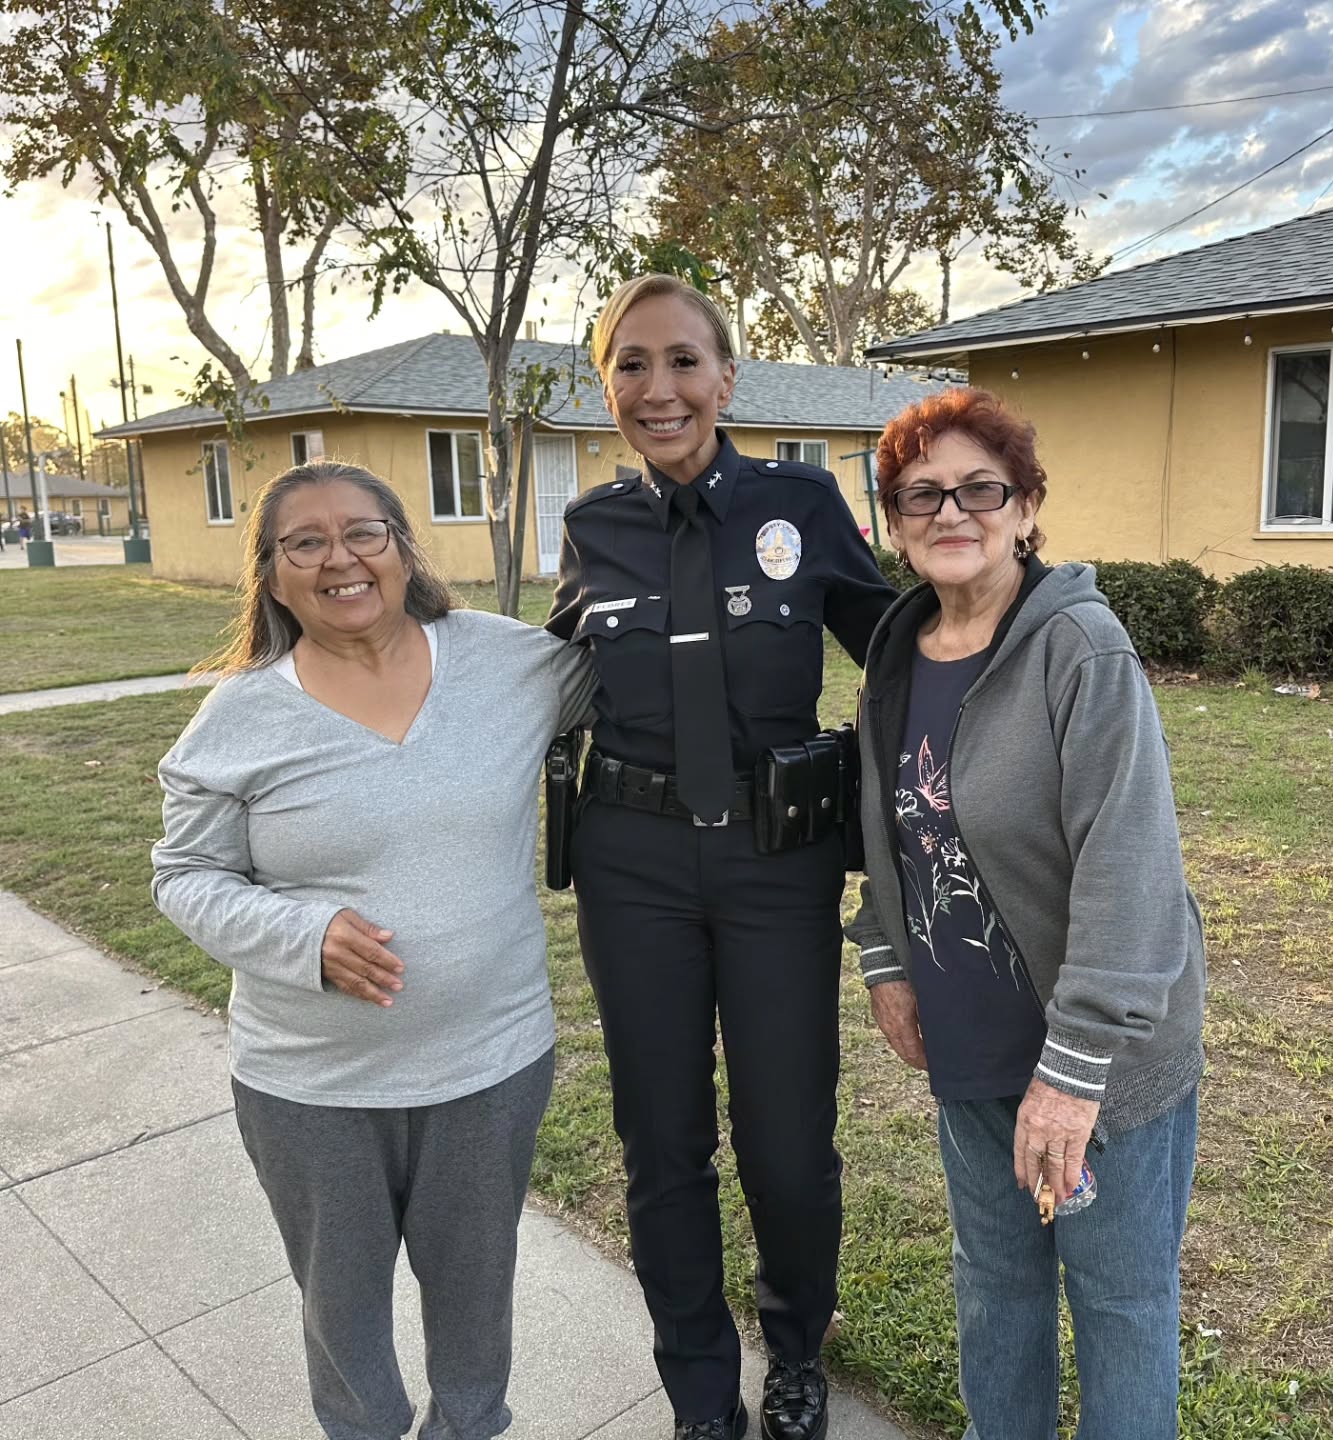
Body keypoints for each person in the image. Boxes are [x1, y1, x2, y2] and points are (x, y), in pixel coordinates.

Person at [152, 460, 593, 1440]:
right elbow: (182, 876)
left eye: (363, 532)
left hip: (489, 1064)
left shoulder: (512, 664)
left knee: (476, 1292)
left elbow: (642, 680)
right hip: (310, 1087)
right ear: (272, 578)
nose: (339, 559)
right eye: (304, 543)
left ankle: (469, 1427)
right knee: (341, 1307)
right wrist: (302, 936)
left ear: (403, 548)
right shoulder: (240, 717)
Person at [547, 274, 895, 1440]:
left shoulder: (801, 501)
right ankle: (700, 1392)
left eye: (684, 361)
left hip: (776, 864)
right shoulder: (594, 527)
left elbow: (902, 651)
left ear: (727, 378)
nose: (661, 389)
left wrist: (1028, 625)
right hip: (632, 865)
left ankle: (794, 1353)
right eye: (632, 364)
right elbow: (546, 675)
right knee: (662, 1142)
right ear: (608, 388)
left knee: (787, 1141)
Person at [845, 388, 1206, 1440]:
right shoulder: (898, 653)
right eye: (921, 495)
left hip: (1099, 1063)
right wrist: (885, 959)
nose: (951, 513)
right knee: (995, 1288)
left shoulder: (1080, 650)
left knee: (1119, 1304)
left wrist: (1073, 1073)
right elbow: (894, 828)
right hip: (971, 1047)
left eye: (980, 489)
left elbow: (1131, 873)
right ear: (894, 523)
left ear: (1027, 508)